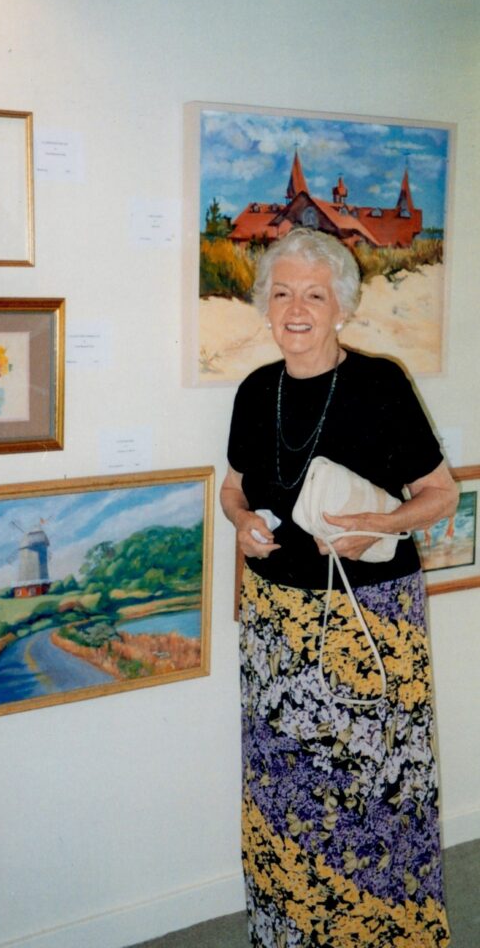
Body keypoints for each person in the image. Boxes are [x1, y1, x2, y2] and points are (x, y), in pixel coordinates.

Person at [220, 227, 458, 948]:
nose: (296, 309)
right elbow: (231, 490)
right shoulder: (255, 391)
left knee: (370, 795)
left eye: (314, 295)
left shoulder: (379, 384)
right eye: (283, 292)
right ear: (266, 303)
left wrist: (382, 521)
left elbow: (440, 496)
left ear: (340, 308)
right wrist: (239, 524)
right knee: (284, 794)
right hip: (274, 628)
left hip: (369, 626)